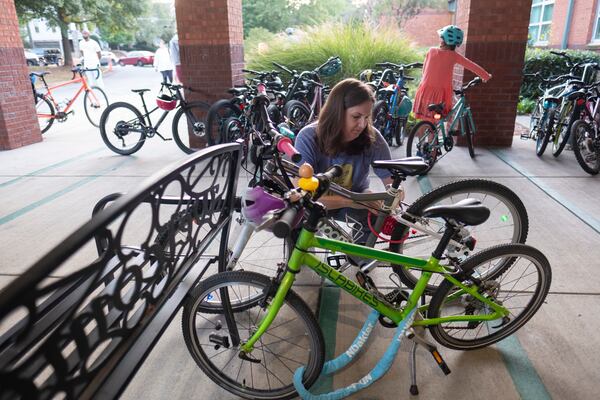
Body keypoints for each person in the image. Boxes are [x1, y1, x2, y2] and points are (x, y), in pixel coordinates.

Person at [294, 78, 394, 244]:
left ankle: (358, 256)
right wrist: (354, 200)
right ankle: (307, 247)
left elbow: (391, 183)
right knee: (294, 215)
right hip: (315, 204)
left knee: (375, 217)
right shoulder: (308, 137)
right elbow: (301, 193)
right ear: (337, 112)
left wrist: (387, 201)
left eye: (367, 117)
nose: (362, 124)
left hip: (353, 204)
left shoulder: (372, 137)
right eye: (356, 116)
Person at [412, 25, 491, 123]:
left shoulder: (431, 51)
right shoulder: (454, 56)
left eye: (442, 38)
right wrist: (486, 76)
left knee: (424, 119)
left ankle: (423, 137)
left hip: (426, 90)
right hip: (442, 94)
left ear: (444, 41)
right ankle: (433, 137)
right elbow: (472, 65)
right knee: (436, 120)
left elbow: (424, 70)